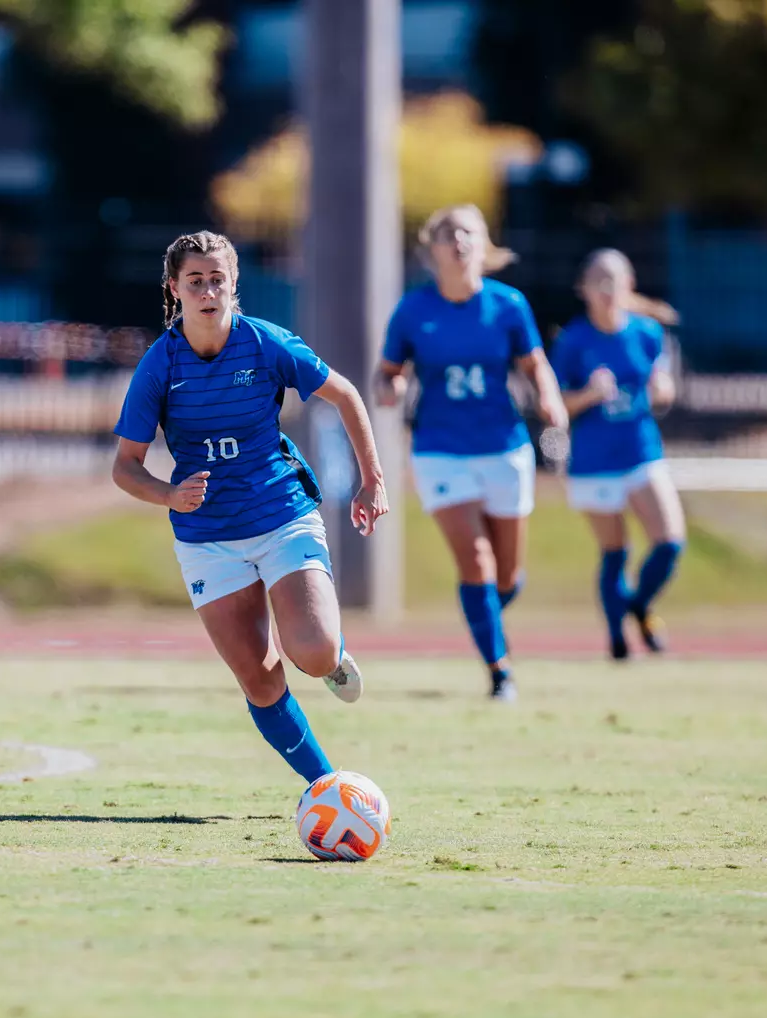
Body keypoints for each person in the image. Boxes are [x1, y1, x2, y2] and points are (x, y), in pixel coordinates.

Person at [112, 231, 388, 788]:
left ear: (234, 284)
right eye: (195, 281)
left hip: (281, 516)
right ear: (174, 289)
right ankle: (326, 787)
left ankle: (330, 653)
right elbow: (125, 466)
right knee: (260, 681)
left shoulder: (266, 343)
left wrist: (372, 480)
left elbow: (346, 395)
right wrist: (168, 494)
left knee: (312, 653)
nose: (208, 291)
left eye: (218, 279)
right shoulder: (159, 364)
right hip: (207, 538)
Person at [375, 204, 567, 701]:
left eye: (468, 233)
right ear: (432, 249)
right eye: (448, 234)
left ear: (484, 246)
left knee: (507, 578)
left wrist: (549, 398)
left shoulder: (508, 305)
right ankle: (500, 672)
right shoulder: (413, 309)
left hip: (503, 447)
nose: (458, 242)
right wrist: (390, 387)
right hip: (440, 449)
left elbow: (535, 364)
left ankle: (486, 623)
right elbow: (387, 371)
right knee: (475, 562)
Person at [551, 249, 685, 660]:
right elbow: (557, 404)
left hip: (640, 451)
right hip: (594, 461)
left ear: (630, 286)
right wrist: (590, 394)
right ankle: (617, 642)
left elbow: (662, 382)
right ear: (584, 289)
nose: (608, 290)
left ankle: (638, 605)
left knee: (669, 542)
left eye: (615, 281)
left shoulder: (646, 332)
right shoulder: (574, 340)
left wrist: (663, 389)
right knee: (615, 552)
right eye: (599, 281)